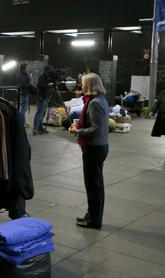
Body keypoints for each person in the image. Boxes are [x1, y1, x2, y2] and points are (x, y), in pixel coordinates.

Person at [69, 73, 109, 229]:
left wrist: (77, 132)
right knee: (95, 184)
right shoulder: (98, 100)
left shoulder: (94, 103)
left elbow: (96, 130)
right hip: (98, 147)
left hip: (94, 148)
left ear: (90, 86)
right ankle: (91, 215)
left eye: (84, 84)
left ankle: (94, 219)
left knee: (93, 186)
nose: (82, 86)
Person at [33, 66, 55, 136]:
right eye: (50, 71)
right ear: (46, 71)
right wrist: (48, 85)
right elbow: (39, 85)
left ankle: (40, 128)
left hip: (44, 97)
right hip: (41, 97)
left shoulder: (46, 77)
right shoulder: (42, 77)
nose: (50, 72)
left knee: (42, 114)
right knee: (39, 113)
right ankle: (35, 129)